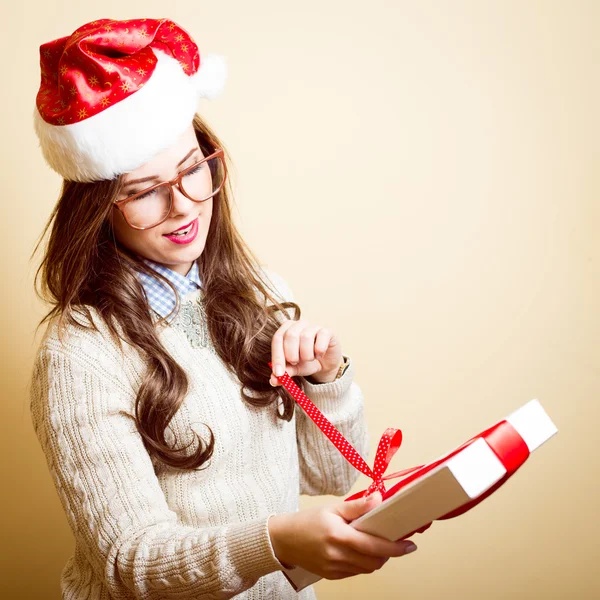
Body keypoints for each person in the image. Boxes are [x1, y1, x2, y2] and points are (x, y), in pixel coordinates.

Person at [29, 17, 418, 599]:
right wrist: (275, 543)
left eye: (192, 170)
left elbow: (335, 476)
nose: (182, 206)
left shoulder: (258, 290)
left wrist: (329, 377)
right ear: (98, 207)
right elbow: (127, 563)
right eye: (141, 191)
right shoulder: (79, 355)